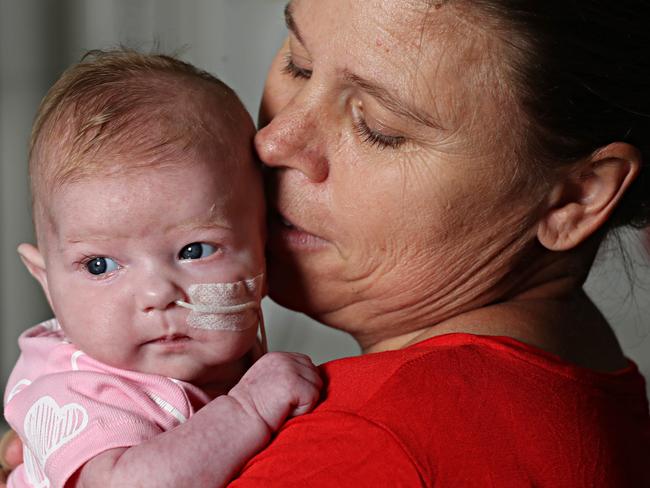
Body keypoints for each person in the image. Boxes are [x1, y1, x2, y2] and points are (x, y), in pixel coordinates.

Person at [4, 0, 650, 486]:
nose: (273, 140)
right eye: (298, 61)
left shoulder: (367, 449)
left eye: (377, 127)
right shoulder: (582, 376)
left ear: (577, 196)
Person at [1, 50, 322, 488]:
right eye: (100, 265)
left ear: (266, 247)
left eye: (195, 250)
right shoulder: (77, 388)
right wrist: (248, 408)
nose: (157, 294)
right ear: (47, 282)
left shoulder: (234, 359)